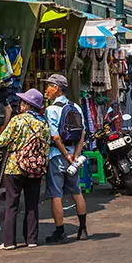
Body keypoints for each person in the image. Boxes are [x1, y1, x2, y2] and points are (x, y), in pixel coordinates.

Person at [0, 88, 51, 251]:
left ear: (27, 105)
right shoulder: (43, 123)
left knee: (11, 205)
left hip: (15, 167)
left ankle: (9, 242)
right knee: (32, 205)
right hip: (35, 168)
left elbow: (1, 141)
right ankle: (31, 239)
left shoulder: (18, 120)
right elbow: (46, 148)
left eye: (22, 102)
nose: (20, 105)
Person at [42, 75, 88, 244]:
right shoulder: (75, 107)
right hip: (73, 157)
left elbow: (55, 137)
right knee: (77, 192)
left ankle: (60, 231)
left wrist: (66, 155)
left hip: (57, 156)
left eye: (49, 86)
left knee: (56, 195)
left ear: (56, 88)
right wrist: (75, 155)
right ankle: (83, 229)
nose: (46, 90)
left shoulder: (51, 110)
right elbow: (82, 132)